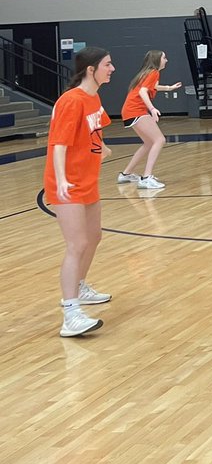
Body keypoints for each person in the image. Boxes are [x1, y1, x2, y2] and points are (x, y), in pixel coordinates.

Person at [45, 46, 115, 337]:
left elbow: (95, 131)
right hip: (67, 185)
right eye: (108, 64)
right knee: (77, 244)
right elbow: (58, 143)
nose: (112, 69)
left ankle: (81, 286)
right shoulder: (70, 101)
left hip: (88, 180)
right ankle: (70, 313)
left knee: (94, 237)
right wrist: (61, 178)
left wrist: (101, 149)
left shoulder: (93, 98)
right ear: (91, 69)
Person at [116, 49, 182, 190]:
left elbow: (153, 87)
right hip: (136, 110)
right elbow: (142, 91)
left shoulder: (147, 73)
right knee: (160, 140)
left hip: (129, 110)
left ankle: (126, 174)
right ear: (157, 60)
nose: (166, 60)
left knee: (148, 143)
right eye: (164, 57)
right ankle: (146, 178)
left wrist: (169, 88)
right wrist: (152, 109)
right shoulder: (153, 72)